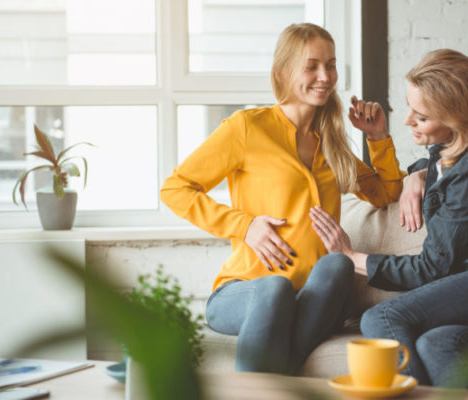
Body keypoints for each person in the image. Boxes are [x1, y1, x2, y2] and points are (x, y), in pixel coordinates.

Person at [160, 23, 405, 374]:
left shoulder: (332, 145)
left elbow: (386, 195)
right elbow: (175, 188)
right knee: (274, 289)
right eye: (311, 66)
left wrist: (378, 138)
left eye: (331, 65)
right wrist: (245, 226)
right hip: (243, 292)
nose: (324, 76)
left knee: (337, 265)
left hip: (311, 302)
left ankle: (269, 386)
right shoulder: (247, 127)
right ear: (283, 72)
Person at [309, 49, 468, 386]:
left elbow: (432, 267)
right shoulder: (454, 156)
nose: (408, 120)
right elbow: (436, 164)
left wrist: (351, 257)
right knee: (438, 343)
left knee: (382, 317)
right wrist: (415, 175)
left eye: (421, 117)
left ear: (456, 118)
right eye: (409, 108)